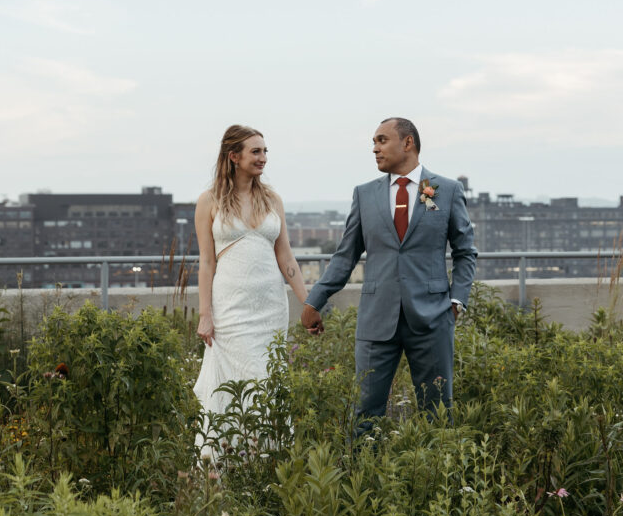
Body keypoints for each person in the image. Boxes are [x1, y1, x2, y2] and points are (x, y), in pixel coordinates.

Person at [301, 117, 477, 429]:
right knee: (364, 413)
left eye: (382, 140)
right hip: (376, 320)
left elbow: (465, 252)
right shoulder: (364, 194)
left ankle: (437, 477)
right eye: (374, 142)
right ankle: (361, 473)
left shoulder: (447, 191)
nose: (374, 149)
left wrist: (456, 301)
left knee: (437, 414)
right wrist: (315, 301)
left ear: (407, 143)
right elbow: (346, 255)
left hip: (433, 318)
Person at [193, 125, 308, 449]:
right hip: (230, 308)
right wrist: (206, 314)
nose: (263, 158)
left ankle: (268, 462)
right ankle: (224, 464)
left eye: (265, 151)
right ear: (234, 156)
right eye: (256, 151)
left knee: (268, 382)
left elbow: (285, 254)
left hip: (270, 307)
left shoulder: (272, 199)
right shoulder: (209, 201)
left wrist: (308, 303)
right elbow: (206, 262)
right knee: (236, 383)